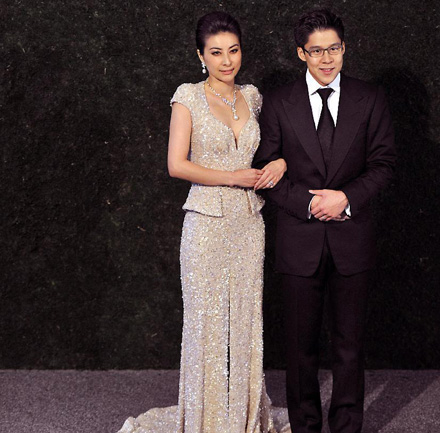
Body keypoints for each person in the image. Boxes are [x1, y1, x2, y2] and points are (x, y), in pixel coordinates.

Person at [117, 11, 290, 433]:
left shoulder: (254, 97)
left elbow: (277, 148)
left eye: (233, 50)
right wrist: (232, 177)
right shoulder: (188, 97)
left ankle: (243, 420)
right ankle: (205, 422)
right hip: (205, 224)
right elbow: (176, 165)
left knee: (246, 322)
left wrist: (281, 163)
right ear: (201, 56)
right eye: (216, 52)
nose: (226, 61)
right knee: (206, 326)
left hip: (249, 224)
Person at [253, 8, 396, 433]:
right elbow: (265, 170)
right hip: (299, 242)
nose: (327, 58)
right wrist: (310, 204)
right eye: (316, 51)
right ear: (301, 53)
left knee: (349, 347)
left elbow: (384, 165)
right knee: (300, 351)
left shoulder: (370, 98)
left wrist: (346, 199)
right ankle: (306, 427)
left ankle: (348, 426)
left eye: (334, 48)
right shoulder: (278, 102)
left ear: (344, 48)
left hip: (353, 239)